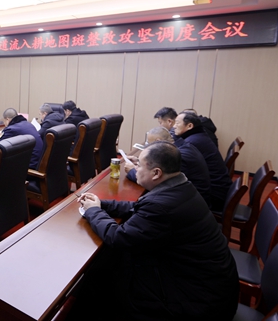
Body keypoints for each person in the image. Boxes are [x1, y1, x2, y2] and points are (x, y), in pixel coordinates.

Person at [77, 141, 238, 320]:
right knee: (112, 264)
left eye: (139, 165)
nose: (135, 168)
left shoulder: (162, 205)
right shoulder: (180, 186)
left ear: (156, 173)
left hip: (196, 299)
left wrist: (93, 211)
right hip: (202, 281)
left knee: (100, 279)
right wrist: (101, 204)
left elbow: (119, 238)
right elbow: (137, 208)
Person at [124, 126, 211, 206]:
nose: (149, 147)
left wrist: (132, 171)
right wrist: (140, 162)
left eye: (150, 144)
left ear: (158, 141)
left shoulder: (179, 155)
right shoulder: (179, 147)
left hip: (190, 203)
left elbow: (159, 180)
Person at [174, 112, 232, 212]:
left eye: (177, 123)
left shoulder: (192, 142)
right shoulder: (199, 136)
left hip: (214, 196)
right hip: (218, 189)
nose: (174, 126)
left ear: (189, 126)